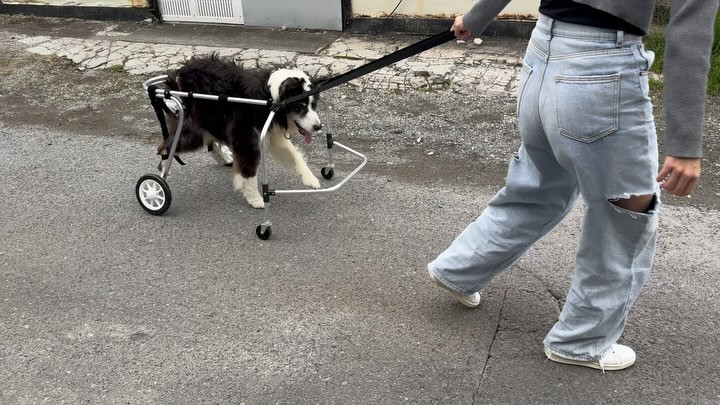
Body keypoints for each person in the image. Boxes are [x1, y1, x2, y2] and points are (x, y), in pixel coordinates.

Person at [428, 0, 718, 371]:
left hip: (541, 52)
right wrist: (685, 145)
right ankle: (582, 341)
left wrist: (476, 18)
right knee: (626, 210)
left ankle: (458, 270)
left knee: (538, 185)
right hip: (602, 68)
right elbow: (688, 31)